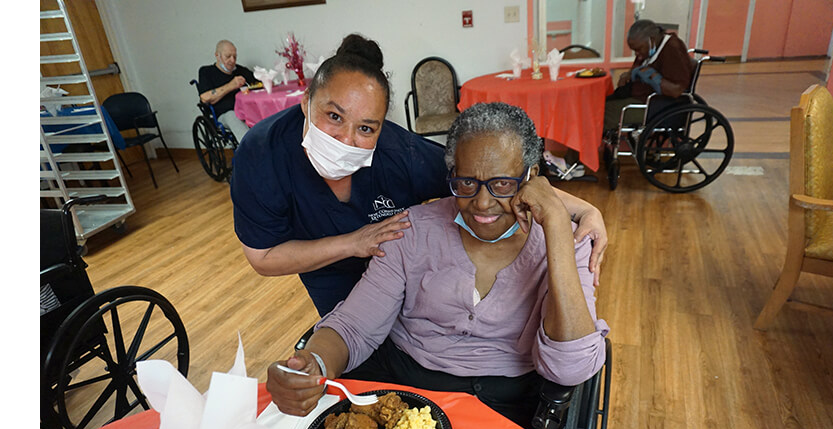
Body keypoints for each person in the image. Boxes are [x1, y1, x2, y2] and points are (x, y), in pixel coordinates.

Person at [266, 102, 609, 429]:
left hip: (505, 407)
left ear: (532, 176)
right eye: (466, 183)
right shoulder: (412, 230)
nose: (483, 202)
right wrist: (315, 364)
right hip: (406, 394)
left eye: (503, 183)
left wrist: (557, 230)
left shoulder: (569, 242)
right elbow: (355, 325)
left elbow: (570, 367)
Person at [230, 34, 609, 318]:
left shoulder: (400, 154)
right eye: (333, 117)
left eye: (366, 128)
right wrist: (352, 243)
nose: (347, 139)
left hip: (403, 272)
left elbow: (488, 181)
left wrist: (582, 209)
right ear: (305, 100)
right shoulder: (262, 155)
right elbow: (263, 258)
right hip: (325, 270)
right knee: (351, 342)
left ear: (382, 126)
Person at [603, 19, 693, 132]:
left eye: (638, 50)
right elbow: (639, 68)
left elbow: (677, 90)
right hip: (639, 99)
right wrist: (629, 74)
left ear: (652, 40)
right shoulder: (651, 48)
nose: (638, 55)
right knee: (598, 104)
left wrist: (654, 78)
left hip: (656, 107)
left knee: (599, 115)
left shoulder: (671, 48)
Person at [197, 40, 257, 144]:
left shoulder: (241, 71)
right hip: (225, 114)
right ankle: (250, 149)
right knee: (232, 116)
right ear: (217, 56)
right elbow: (205, 97)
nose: (232, 60)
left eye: (235, 56)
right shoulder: (206, 72)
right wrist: (231, 85)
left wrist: (268, 79)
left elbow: (259, 84)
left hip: (246, 111)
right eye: (228, 56)